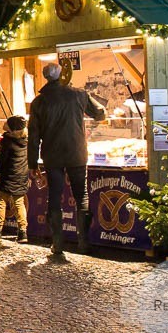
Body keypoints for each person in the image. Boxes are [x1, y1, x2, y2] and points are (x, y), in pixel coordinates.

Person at [28, 62, 106, 254]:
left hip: (52, 155)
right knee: (82, 196)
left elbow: (33, 135)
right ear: (62, 75)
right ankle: (83, 241)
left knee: (54, 197)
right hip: (77, 153)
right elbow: (100, 114)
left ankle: (57, 242)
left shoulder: (39, 102)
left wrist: (32, 162)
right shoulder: (79, 94)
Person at [0, 115, 30, 243]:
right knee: (19, 203)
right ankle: (23, 232)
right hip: (22, 175)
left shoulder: (7, 140)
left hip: (8, 175)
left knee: (1, 201)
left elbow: (2, 158)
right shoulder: (26, 140)